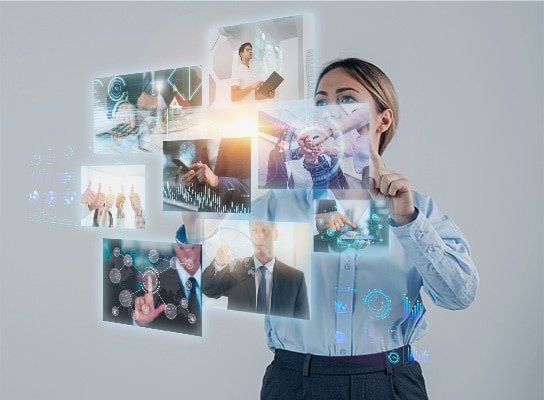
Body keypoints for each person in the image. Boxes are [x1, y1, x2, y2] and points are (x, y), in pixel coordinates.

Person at [201, 221, 309, 319]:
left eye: (264, 230)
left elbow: (303, 325)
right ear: (250, 234)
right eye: (254, 230)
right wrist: (218, 263)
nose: (259, 236)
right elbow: (207, 289)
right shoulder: (235, 269)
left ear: (275, 234)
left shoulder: (296, 279)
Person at [132, 228, 203, 336]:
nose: (186, 241)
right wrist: (141, 323)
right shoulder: (154, 288)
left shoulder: (222, 276)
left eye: (191, 235)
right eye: (181, 236)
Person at [169, 137, 251, 213]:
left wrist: (216, 181)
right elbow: (202, 191)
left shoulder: (244, 140)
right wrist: (192, 183)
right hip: (205, 215)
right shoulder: (199, 140)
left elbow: (251, 188)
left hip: (233, 217)